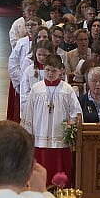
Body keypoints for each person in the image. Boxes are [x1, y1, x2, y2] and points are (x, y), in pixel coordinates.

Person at [22, 55, 81, 186]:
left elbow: (76, 112)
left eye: (54, 71)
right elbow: (29, 111)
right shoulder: (36, 89)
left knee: (59, 168)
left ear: (61, 71)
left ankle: (60, 190)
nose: (50, 74)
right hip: (40, 136)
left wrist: (71, 126)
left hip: (59, 137)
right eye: (47, 70)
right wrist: (28, 133)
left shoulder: (67, 90)